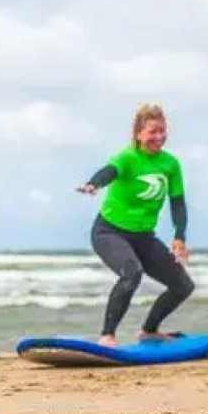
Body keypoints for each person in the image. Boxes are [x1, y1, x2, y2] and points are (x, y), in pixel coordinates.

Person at [76, 103, 194, 345]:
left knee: (182, 285)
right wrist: (93, 184)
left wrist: (179, 237)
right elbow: (109, 171)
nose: (159, 137)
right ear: (138, 133)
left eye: (162, 131)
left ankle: (149, 330)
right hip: (109, 232)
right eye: (153, 131)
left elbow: (178, 204)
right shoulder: (127, 157)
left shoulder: (170, 164)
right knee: (132, 272)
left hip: (143, 237)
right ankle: (107, 335)